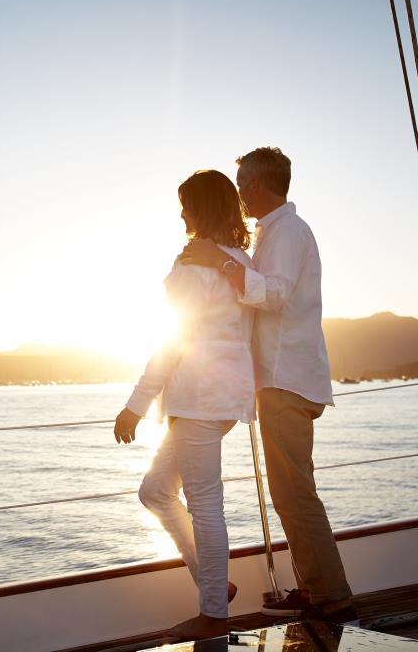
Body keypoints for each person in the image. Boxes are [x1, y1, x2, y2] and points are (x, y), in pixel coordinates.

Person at [179, 147, 357, 624]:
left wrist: (219, 262)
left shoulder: (288, 232)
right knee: (289, 491)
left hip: (285, 379)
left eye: (241, 184)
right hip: (283, 379)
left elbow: (274, 294)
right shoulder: (274, 233)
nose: (238, 193)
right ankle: (315, 588)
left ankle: (334, 598)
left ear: (256, 185)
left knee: (294, 492)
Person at [113, 169, 256, 641]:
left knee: (205, 504)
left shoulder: (196, 266)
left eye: (187, 205)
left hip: (198, 396)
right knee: (155, 491)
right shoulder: (236, 261)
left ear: (203, 209)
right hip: (221, 397)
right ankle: (216, 587)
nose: (181, 214)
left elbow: (175, 339)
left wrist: (136, 404)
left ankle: (214, 613)